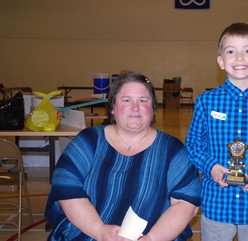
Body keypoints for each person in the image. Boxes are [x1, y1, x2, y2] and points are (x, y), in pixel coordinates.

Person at [45, 72, 201, 241]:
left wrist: (151, 238)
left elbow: (185, 203)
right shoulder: (89, 141)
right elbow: (66, 188)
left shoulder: (173, 150)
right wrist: (99, 230)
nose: (135, 107)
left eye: (143, 100)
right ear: (112, 107)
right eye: (126, 100)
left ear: (153, 107)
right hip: (87, 233)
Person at [185, 23, 248, 241]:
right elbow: (194, 144)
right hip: (216, 204)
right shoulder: (207, 101)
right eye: (231, 51)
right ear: (221, 61)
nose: (240, 57)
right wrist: (211, 167)